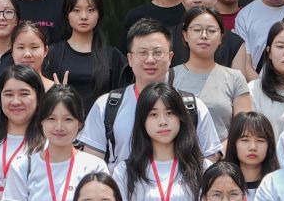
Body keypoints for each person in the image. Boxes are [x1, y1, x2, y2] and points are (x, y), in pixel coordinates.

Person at [86, 21, 224, 164]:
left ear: (170, 58)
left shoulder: (191, 106)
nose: (150, 59)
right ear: (130, 59)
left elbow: (210, 158)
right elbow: (92, 162)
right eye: (142, 53)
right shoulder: (106, 106)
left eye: (158, 52)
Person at [174, 5, 251, 134]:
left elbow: (243, 130)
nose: (204, 35)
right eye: (197, 30)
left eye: (211, 31)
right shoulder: (169, 77)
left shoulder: (235, 78)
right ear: (185, 35)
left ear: (221, 37)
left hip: (224, 153)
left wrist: (216, 153)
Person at [45, 0, 125, 108]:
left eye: (90, 10)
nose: (84, 16)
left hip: (101, 125)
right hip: (63, 124)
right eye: (76, 10)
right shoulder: (53, 53)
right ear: (67, 14)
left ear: (99, 14)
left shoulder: (113, 56)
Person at [0, 64, 43, 201]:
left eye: (24, 94)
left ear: (38, 96)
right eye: (8, 94)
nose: (15, 101)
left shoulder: (48, 138)